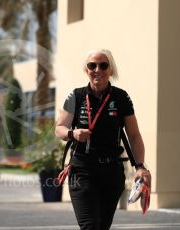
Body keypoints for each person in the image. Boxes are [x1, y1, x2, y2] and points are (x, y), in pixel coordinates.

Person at [55, 49, 151, 230]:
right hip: (82, 170)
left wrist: (140, 167)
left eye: (103, 65)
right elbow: (59, 129)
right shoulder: (76, 96)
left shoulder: (121, 97)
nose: (97, 69)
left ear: (111, 70)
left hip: (111, 172)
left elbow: (134, 135)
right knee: (90, 226)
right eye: (92, 65)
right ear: (86, 69)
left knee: (101, 226)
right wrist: (72, 134)